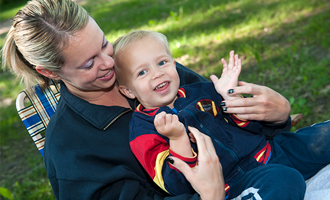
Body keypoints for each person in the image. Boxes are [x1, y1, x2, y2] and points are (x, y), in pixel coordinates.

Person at [1, 0, 314, 199]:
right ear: (51, 73)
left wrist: (277, 115)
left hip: (258, 165)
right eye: (88, 64)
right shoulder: (70, 149)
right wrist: (210, 194)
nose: (109, 63)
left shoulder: (150, 70)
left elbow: (230, 126)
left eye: (104, 45)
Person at [113, 30, 330, 199]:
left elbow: (255, 129)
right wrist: (177, 139)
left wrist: (232, 100)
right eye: (142, 72)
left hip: (271, 151)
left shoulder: (201, 91)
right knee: (283, 180)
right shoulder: (143, 129)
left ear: (174, 63)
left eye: (162, 62)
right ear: (128, 90)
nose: (157, 73)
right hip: (237, 182)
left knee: (323, 136)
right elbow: (175, 184)